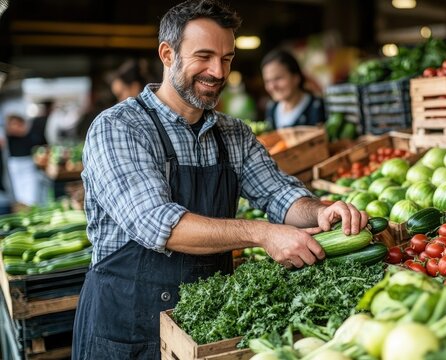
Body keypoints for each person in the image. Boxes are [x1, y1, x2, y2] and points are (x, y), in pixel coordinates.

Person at [71, 1, 367, 359]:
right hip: (126, 330)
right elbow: (160, 225)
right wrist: (263, 234)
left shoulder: (233, 134)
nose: (218, 70)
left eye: (226, 58)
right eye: (204, 56)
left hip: (206, 328)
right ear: (168, 54)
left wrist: (320, 211)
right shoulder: (120, 127)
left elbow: (278, 194)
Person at [261, 48, 325, 130]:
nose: (272, 86)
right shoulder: (271, 109)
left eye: (278, 78)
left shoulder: (318, 107)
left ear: (296, 77)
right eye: (268, 81)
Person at [4, 114, 40, 205]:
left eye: (18, 124)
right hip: (15, 165)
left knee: (31, 194)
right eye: (13, 124)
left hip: (28, 164)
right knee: (19, 193)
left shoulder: (30, 135)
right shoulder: (7, 136)